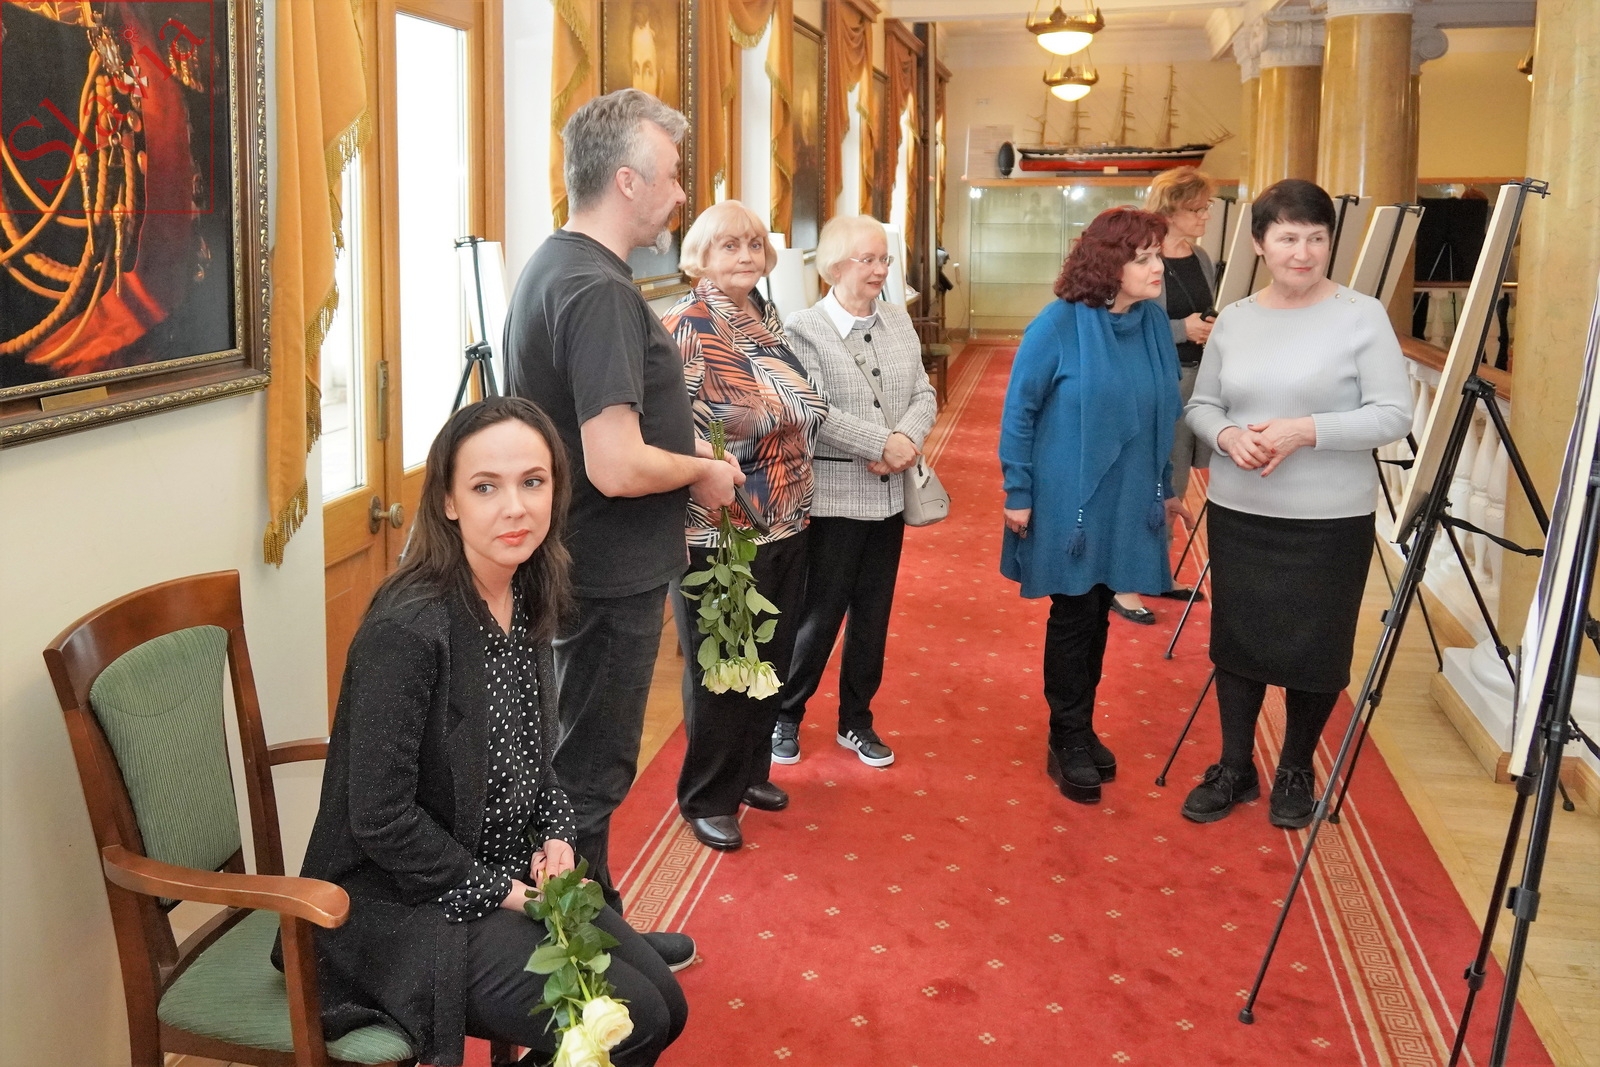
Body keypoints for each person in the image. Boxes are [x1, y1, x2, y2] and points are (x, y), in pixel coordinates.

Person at [295, 397, 688, 1067]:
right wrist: (506, 893)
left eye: (533, 482)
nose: (515, 508)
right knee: (637, 1022)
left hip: (499, 867)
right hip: (401, 903)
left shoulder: (523, 590)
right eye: (485, 487)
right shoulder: (408, 629)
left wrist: (558, 835)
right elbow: (380, 818)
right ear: (448, 500)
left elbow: (535, 758)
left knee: (666, 1006)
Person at [505, 88, 742, 962]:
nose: (681, 195)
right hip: (606, 567)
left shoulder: (559, 265)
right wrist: (704, 470)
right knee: (591, 768)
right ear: (628, 180)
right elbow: (615, 461)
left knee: (579, 763)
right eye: (672, 177)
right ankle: (582, 955)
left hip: (587, 558)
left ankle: (592, 930)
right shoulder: (596, 288)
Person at [1181, 179, 1413, 829]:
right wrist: (1227, 436)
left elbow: (1393, 413)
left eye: (1316, 238)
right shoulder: (1236, 319)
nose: (1303, 252)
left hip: (1329, 518)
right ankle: (1234, 766)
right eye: (1287, 238)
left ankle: (1295, 768)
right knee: (1238, 641)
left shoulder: (1361, 315)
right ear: (1259, 243)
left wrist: (1305, 430)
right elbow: (1203, 405)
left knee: (1317, 648)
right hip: (1242, 511)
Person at [998, 208, 1191, 805]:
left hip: (1129, 491)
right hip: (1069, 496)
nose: (1158, 268)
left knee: (1101, 606)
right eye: (1144, 258)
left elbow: (1161, 414)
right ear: (1110, 263)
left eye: (1157, 255)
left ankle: (1080, 727)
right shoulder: (1058, 324)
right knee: (1075, 612)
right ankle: (1066, 736)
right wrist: (1018, 491)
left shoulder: (1151, 323)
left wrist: (1166, 486)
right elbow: (1019, 411)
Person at [661, 200, 827, 851]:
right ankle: (707, 795)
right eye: (729, 245)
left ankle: (750, 771)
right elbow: (663, 430)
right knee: (725, 665)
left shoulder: (767, 316)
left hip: (788, 516)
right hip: (721, 528)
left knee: (771, 656)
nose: (746, 255)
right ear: (700, 257)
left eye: (754, 244)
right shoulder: (686, 325)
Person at [772, 215, 938, 768]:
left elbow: (923, 393)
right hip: (835, 500)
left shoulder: (897, 319)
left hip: (889, 500)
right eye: (867, 259)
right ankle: (786, 715)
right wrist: (880, 444)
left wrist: (903, 442)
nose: (880, 269)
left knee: (873, 615)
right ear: (833, 266)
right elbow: (812, 410)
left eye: (883, 259)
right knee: (818, 616)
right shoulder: (803, 329)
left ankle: (856, 720)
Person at [1109, 168, 1219, 626]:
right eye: (1197, 208)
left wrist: (1209, 328)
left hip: (1198, 379)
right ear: (1171, 209)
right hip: (1155, 381)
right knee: (1147, 478)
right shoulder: (1141, 255)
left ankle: (1156, 571)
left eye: (1207, 207)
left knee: (1175, 483)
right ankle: (1124, 584)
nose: (1206, 216)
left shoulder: (1202, 257)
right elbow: (1125, 320)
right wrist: (1182, 329)